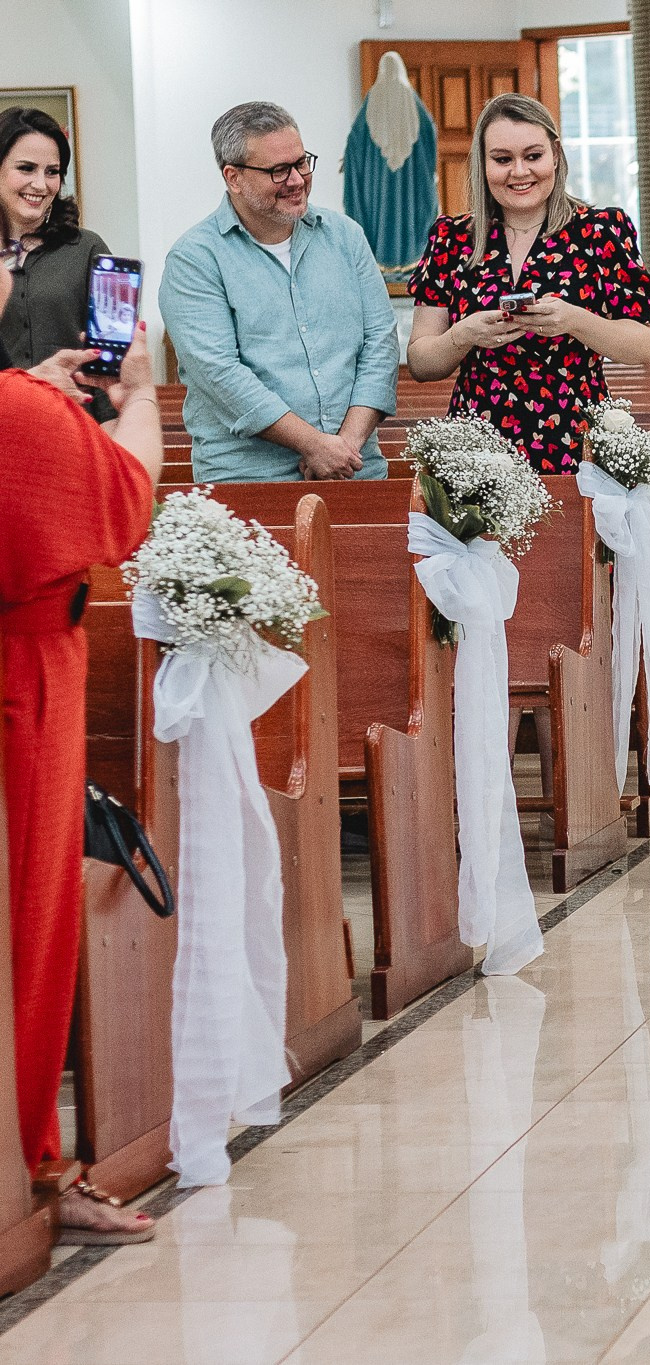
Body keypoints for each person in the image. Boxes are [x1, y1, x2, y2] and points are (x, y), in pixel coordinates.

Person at [0, 258, 162, 1242]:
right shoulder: (16, 415)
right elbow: (126, 499)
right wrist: (137, 390)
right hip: (21, 683)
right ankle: (26, 1172)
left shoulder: (23, 404)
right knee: (30, 928)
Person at [406, 93, 650, 474]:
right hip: (477, 451)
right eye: (503, 159)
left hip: (575, 439)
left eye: (533, 156)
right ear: (483, 162)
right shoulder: (452, 238)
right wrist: (464, 334)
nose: (519, 172)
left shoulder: (601, 230)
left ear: (555, 154)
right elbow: (421, 362)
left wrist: (573, 321)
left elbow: (645, 346)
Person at [160, 101, 398, 483]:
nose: (297, 179)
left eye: (302, 162)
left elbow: (380, 344)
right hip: (250, 477)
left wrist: (345, 446)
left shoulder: (346, 237)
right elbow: (220, 374)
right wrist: (314, 445)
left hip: (356, 467)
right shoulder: (195, 260)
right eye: (278, 171)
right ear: (233, 177)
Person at [0, 106, 116, 423]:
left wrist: (111, 438)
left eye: (52, 172)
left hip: (75, 431)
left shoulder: (89, 249)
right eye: (26, 168)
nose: (41, 184)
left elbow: (110, 366)